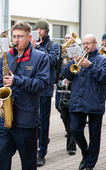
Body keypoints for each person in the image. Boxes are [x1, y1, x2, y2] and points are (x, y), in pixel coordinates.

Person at [0, 22, 50, 170]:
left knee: (28, 162)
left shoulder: (40, 57)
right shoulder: (7, 56)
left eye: (20, 36)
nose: (16, 40)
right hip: (6, 118)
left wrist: (17, 81)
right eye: (14, 36)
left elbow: (43, 84)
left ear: (29, 37)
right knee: (3, 160)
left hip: (26, 119)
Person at [61, 34, 106, 170]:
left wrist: (90, 65)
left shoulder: (103, 60)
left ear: (95, 43)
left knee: (94, 135)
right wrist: (72, 62)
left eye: (88, 43)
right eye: (83, 43)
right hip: (77, 101)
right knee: (75, 129)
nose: (85, 46)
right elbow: (66, 74)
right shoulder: (77, 58)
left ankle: (90, 164)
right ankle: (86, 153)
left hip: (95, 101)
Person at [35, 19, 60, 167]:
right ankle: (41, 141)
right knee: (33, 120)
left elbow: (51, 60)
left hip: (45, 88)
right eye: (36, 29)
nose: (38, 31)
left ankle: (41, 152)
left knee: (43, 122)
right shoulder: (32, 45)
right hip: (32, 88)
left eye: (41, 29)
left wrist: (37, 48)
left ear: (46, 31)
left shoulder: (53, 46)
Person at [55, 33, 77, 155]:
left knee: (71, 120)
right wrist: (62, 81)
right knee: (64, 117)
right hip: (63, 92)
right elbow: (57, 75)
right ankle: (69, 131)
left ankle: (71, 146)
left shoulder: (77, 61)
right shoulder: (63, 60)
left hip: (74, 92)